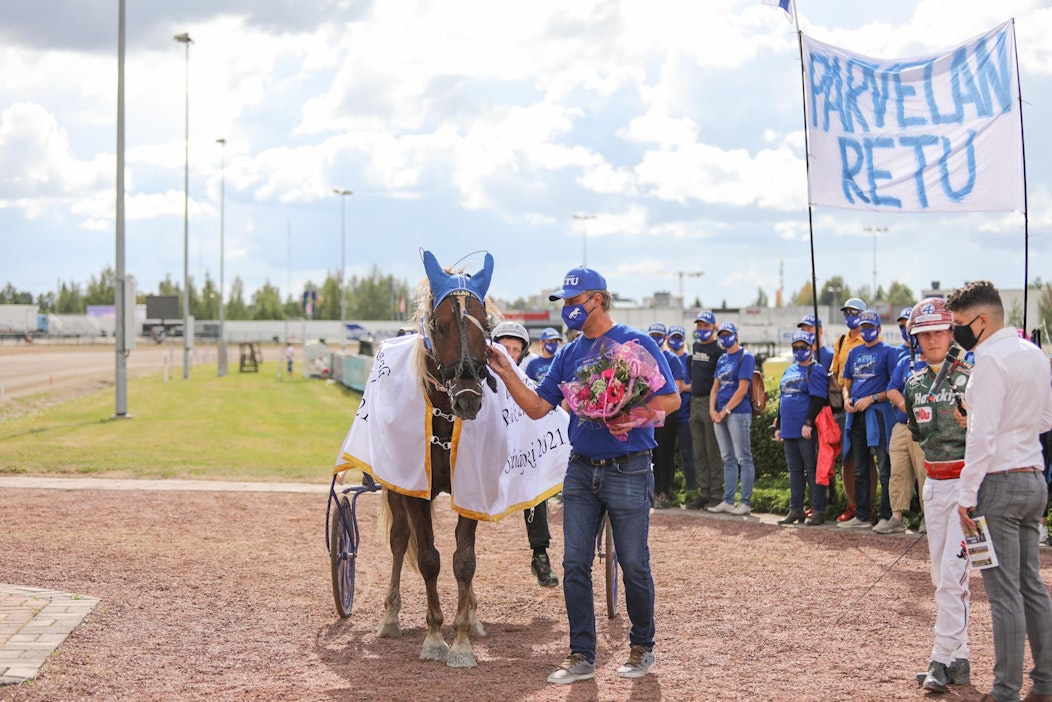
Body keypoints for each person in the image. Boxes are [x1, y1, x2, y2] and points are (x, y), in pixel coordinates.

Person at [487, 266, 680, 685]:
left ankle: (642, 646)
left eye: (574, 302)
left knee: (633, 563)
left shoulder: (635, 343)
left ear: (598, 299)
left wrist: (634, 415)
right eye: (565, 303)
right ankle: (581, 654)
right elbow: (539, 407)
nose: (569, 310)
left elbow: (671, 398)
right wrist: (505, 371)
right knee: (574, 563)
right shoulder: (569, 354)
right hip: (581, 468)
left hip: (629, 467)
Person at [947, 280, 1052, 702]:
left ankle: (1005, 691)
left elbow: (982, 437)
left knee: (1003, 592)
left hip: (998, 483)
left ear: (982, 320)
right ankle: (1044, 683)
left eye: (958, 324)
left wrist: (965, 496)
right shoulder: (1034, 353)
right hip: (1033, 479)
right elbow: (1044, 419)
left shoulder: (988, 361)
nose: (957, 332)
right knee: (1032, 586)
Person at [901, 297, 972, 693]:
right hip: (934, 486)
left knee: (952, 577)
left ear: (952, 332)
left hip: (971, 488)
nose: (932, 340)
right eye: (924, 334)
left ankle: (938, 659)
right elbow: (917, 433)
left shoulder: (972, 376)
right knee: (942, 577)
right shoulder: (913, 385)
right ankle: (958, 659)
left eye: (939, 332)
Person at [492, 321, 559, 589]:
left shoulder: (526, 383)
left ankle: (540, 554)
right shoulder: (472, 381)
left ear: (521, 354)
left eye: (514, 349)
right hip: (483, 459)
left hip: (516, 458)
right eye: (503, 347)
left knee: (536, 485)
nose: (508, 353)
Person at [837, 310, 898, 530]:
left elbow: (893, 386)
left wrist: (872, 398)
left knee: (884, 466)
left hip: (879, 415)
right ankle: (862, 515)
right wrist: (847, 400)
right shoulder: (854, 353)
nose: (867, 332)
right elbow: (847, 384)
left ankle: (886, 515)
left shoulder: (888, 352)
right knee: (860, 467)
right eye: (864, 328)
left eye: (871, 328)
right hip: (856, 416)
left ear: (879, 329)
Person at [774, 331, 829, 526]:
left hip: (806, 429)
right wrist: (778, 425)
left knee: (812, 469)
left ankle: (818, 509)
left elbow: (819, 398)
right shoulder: (789, 370)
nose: (799, 351)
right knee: (794, 470)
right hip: (788, 428)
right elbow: (782, 398)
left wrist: (808, 422)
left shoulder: (816, 370)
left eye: (803, 347)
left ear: (811, 348)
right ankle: (796, 508)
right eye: (795, 348)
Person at [882, 307, 928, 535]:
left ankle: (928, 518)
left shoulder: (936, 361)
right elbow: (891, 389)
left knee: (924, 472)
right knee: (898, 471)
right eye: (903, 327)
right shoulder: (903, 361)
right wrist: (903, 404)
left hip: (924, 426)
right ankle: (896, 517)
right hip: (901, 425)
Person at [707, 322, 756, 516]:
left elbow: (742, 389)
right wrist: (712, 410)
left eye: (728, 334)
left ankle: (745, 502)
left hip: (738, 413)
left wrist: (725, 411)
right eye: (722, 334)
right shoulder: (722, 359)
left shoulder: (746, 356)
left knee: (743, 458)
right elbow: (715, 387)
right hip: (720, 413)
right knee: (727, 458)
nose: (724, 337)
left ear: (736, 335)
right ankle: (728, 500)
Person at [831, 297, 869, 523]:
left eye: (853, 312)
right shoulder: (841, 340)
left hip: (866, 404)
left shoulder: (872, 337)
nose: (849, 317)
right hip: (845, 404)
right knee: (847, 458)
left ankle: (868, 506)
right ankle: (852, 504)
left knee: (866, 459)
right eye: (846, 313)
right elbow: (835, 374)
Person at [687, 311, 724, 510]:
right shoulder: (695, 346)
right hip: (694, 402)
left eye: (705, 326)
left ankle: (716, 494)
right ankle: (704, 492)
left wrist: (714, 406)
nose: (702, 329)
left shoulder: (718, 351)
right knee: (699, 452)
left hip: (710, 403)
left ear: (713, 328)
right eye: (699, 326)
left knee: (713, 452)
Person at [649, 322, 685, 510]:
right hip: (648, 412)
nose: (655, 338)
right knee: (651, 452)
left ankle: (664, 491)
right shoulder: (644, 358)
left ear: (665, 337)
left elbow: (678, 387)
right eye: (652, 334)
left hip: (666, 412)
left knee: (664, 452)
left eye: (659, 335)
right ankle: (653, 489)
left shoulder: (671, 358)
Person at [667, 325, 697, 501]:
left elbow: (696, 385)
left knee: (688, 457)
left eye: (679, 337)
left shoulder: (689, 360)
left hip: (686, 416)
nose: (676, 341)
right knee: (668, 457)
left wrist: (680, 388)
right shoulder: (666, 359)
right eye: (673, 337)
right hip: (669, 417)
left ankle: (691, 491)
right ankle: (669, 491)